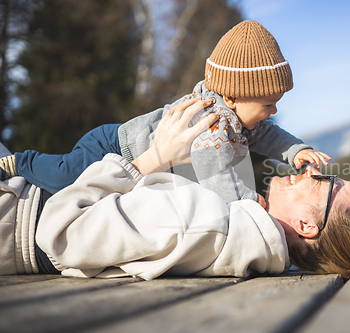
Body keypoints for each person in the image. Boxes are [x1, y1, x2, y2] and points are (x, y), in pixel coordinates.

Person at [0, 99, 350, 280]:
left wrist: (151, 158)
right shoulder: (241, 220)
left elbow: (59, 234)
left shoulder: (212, 224)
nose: (316, 173)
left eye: (327, 183)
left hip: (18, 211)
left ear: (307, 225)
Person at [0, 20, 331, 208]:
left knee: (82, 195)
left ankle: (33, 181)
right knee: (65, 178)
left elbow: (270, 135)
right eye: (267, 104)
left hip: (130, 156)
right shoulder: (211, 124)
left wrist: (296, 150)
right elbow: (214, 173)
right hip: (112, 147)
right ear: (231, 97)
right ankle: (23, 162)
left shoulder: (240, 117)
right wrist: (249, 202)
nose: (273, 112)